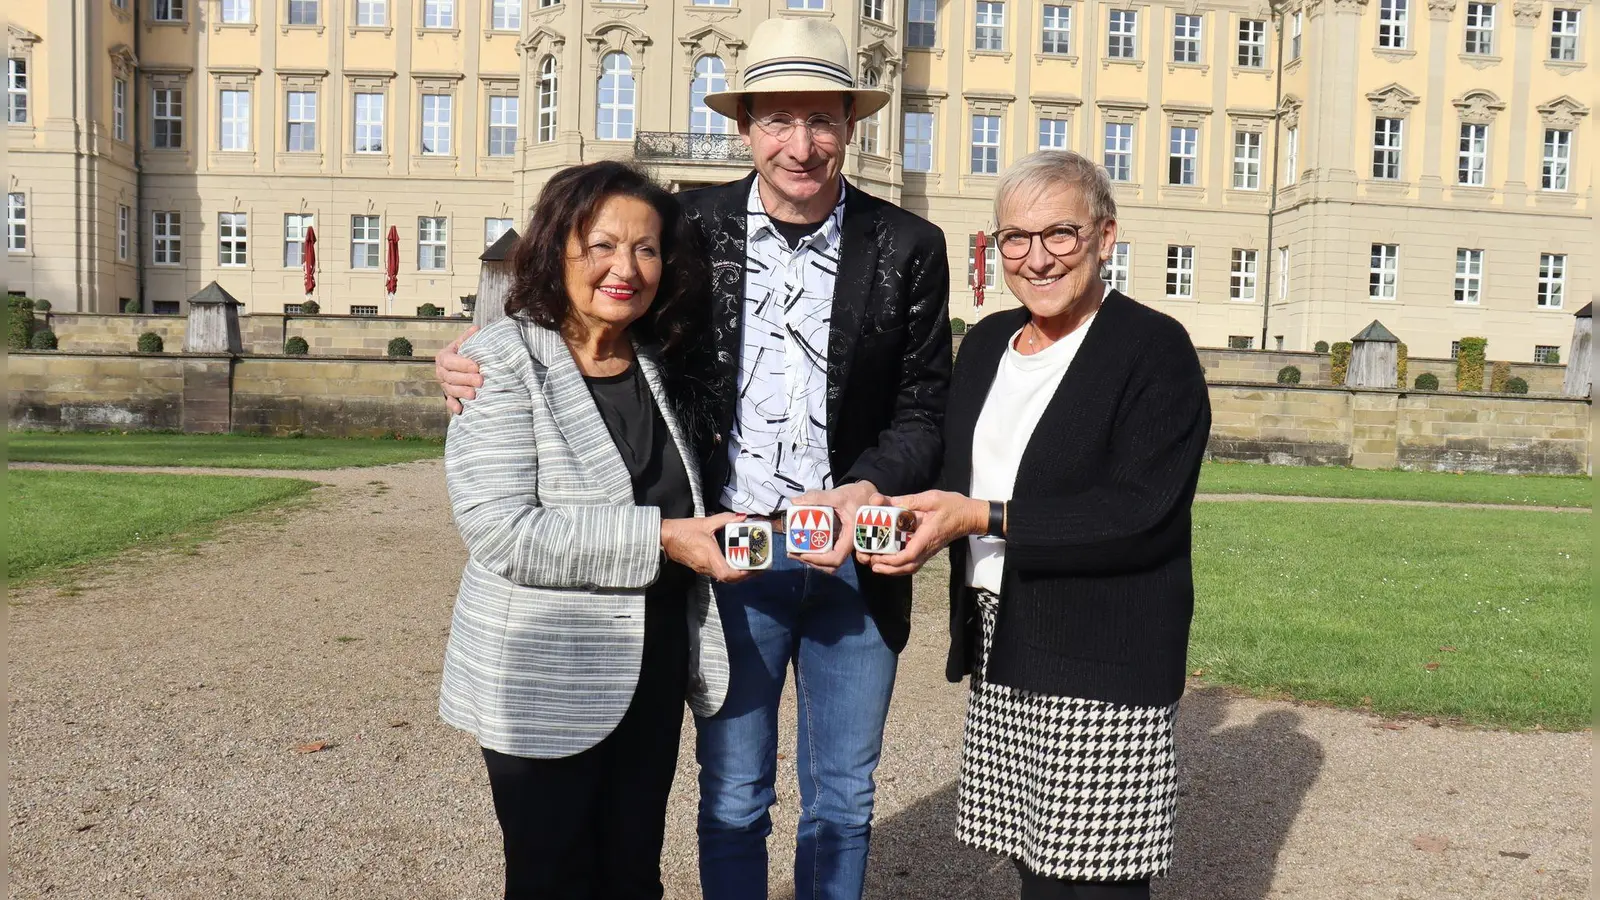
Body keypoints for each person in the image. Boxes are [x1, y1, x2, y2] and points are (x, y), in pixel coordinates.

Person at [438, 19, 952, 900]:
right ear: (745, 126)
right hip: (729, 554)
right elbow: (599, 318)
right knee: (734, 795)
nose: (802, 144)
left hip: (851, 555)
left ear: (851, 128)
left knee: (843, 799)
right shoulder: (690, 229)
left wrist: (860, 488)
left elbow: (923, 409)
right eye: (779, 120)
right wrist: (471, 354)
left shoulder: (907, 245)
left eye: (822, 120)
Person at [857, 150, 1212, 900]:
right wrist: (904, 524)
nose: (1036, 257)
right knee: (1035, 868)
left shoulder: (1153, 348)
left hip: (1103, 649)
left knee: (1099, 876)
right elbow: (954, 480)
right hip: (1003, 634)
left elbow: (1138, 513)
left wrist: (981, 516)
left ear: (1105, 236)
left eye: (1060, 234)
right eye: (1015, 238)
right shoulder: (988, 344)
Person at [439, 161, 744, 900]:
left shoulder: (655, 359)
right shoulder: (501, 359)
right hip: (543, 671)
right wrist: (667, 538)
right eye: (601, 245)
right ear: (556, 249)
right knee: (553, 877)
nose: (626, 268)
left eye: (646, 249)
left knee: (635, 872)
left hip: (653, 659)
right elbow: (503, 532)